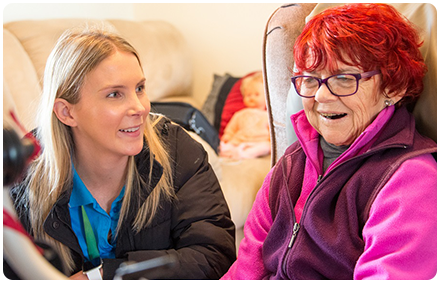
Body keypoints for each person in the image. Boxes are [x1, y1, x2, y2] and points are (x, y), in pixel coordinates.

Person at [221, 3, 439, 280]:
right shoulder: (290, 163)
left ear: (393, 87)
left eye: (343, 79)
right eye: (310, 80)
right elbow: (245, 269)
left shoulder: (410, 178)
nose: (321, 96)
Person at [9, 26, 236, 280]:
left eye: (140, 88)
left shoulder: (176, 149)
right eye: (115, 94)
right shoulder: (20, 176)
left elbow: (216, 254)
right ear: (66, 112)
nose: (140, 108)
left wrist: (100, 276)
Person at [219, 71, 271, 159]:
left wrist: (270, 142)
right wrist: (227, 136)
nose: (252, 98)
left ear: (267, 97)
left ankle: (242, 154)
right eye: (248, 95)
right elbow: (231, 128)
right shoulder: (240, 114)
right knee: (224, 146)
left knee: (266, 147)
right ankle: (234, 152)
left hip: (257, 143)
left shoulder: (268, 116)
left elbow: (271, 134)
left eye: (256, 94)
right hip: (238, 142)